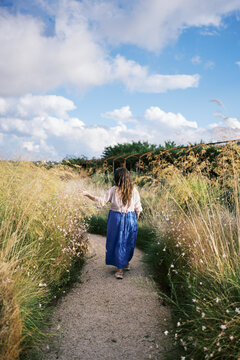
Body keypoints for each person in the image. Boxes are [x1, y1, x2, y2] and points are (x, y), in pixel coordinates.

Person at [80, 167, 142, 279]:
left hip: (116, 218)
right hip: (130, 218)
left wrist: (88, 194)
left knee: (117, 241)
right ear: (128, 177)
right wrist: (135, 219)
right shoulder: (134, 190)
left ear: (117, 178)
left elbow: (101, 201)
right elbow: (138, 208)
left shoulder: (114, 190)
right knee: (128, 241)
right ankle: (125, 263)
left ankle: (120, 271)